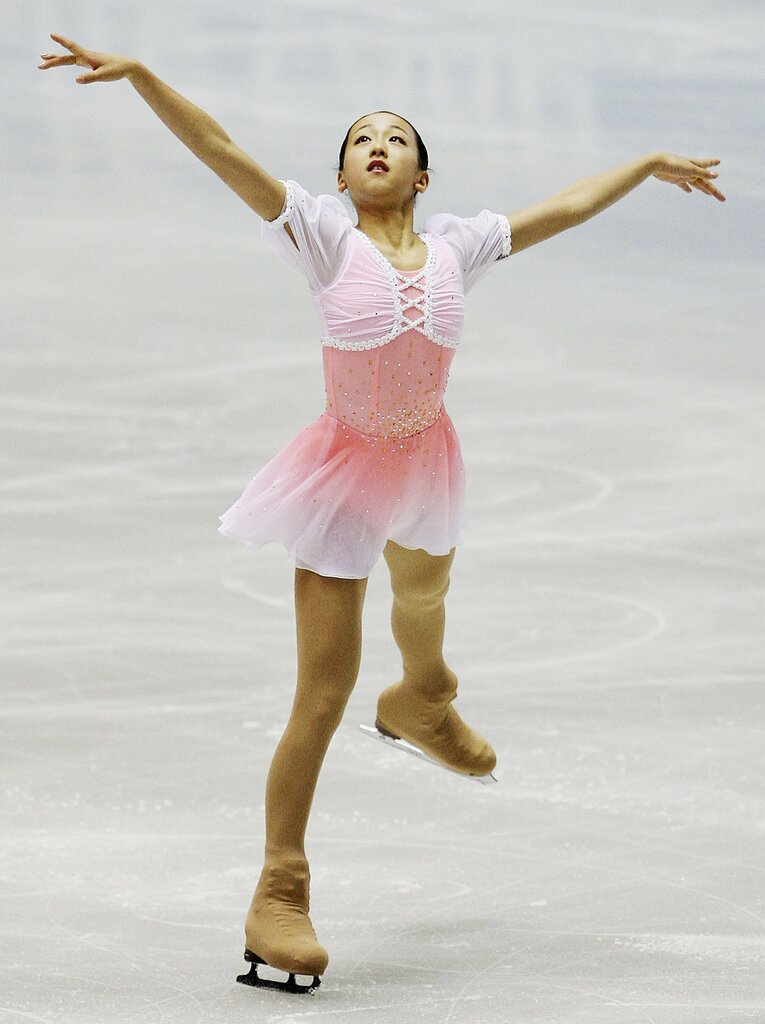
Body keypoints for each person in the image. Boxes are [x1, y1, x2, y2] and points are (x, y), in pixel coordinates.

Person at [39, 32, 726, 993]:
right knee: (323, 692)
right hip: (343, 473)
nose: (376, 144)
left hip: (426, 456)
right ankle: (279, 892)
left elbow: (564, 209)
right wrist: (146, 78)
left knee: (425, 595)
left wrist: (646, 162)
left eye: (395, 137)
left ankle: (422, 698)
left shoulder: (456, 248)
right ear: (340, 175)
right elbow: (221, 149)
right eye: (360, 137)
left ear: (420, 175)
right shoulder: (323, 239)